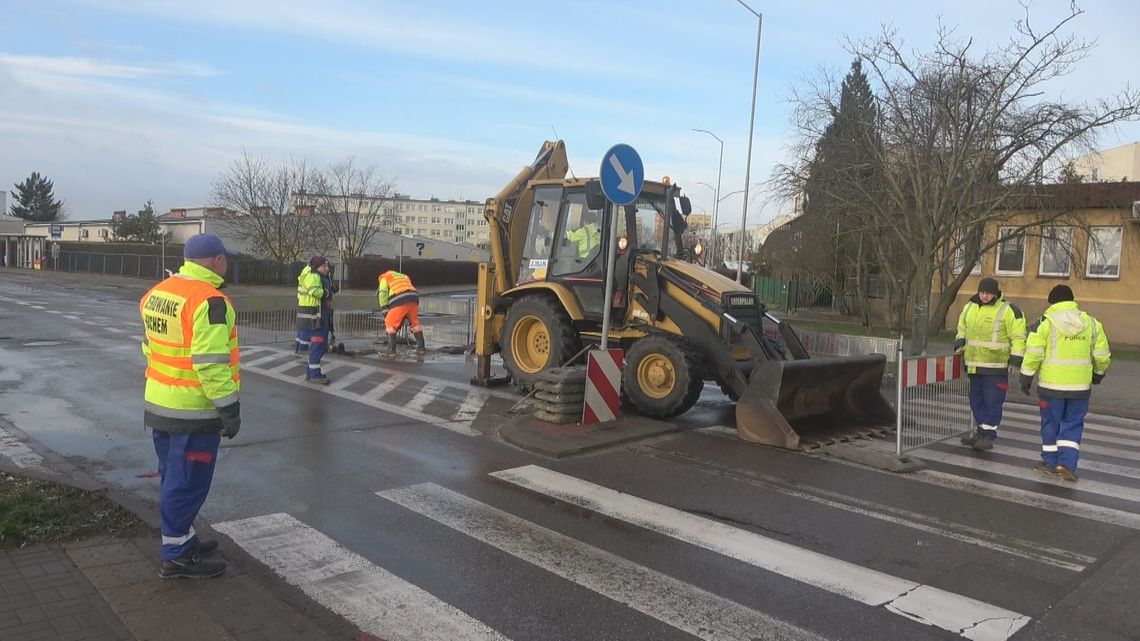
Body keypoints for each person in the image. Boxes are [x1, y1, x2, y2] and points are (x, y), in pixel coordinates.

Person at [139, 234, 240, 579]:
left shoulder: (159, 293)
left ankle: (183, 538)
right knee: (187, 484)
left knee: (174, 477)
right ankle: (177, 554)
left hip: (160, 404)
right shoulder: (210, 302)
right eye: (225, 258)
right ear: (217, 261)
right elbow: (210, 364)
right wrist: (229, 408)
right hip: (193, 411)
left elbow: (150, 348)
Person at [1019, 285, 1111, 482]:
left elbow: (1034, 352)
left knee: (1050, 423)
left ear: (1052, 302)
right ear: (1072, 301)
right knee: (1073, 423)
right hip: (1080, 389)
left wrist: (1026, 376)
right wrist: (1099, 373)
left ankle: (1050, 461)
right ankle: (1067, 465)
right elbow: (1102, 354)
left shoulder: (1045, 322)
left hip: (1051, 388)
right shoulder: (1092, 323)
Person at [954, 277, 1026, 450]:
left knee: (993, 402)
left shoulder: (1008, 310)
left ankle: (988, 435)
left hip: (996, 367)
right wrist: (959, 344)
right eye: (982, 292)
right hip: (973, 364)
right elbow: (962, 328)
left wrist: (1016, 361)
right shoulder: (969, 307)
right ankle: (981, 431)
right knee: (975, 400)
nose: (985, 296)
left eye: (988, 293)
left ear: (996, 294)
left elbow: (1018, 337)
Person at [297, 256, 333, 384]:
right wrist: (327, 293)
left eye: (328, 266)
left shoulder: (319, 276)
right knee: (318, 345)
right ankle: (314, 375)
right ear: (318, 267)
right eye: (324, 266)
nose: (327, 268)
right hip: (317, 317)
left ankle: (311, 372)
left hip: (320, 316)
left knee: (320, 346)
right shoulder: (313, 275)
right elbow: (315, 291)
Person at [378, 269, 424, 358]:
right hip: (414, 297)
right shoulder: (404, 276)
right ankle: (421, 349)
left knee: (390, 325)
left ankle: (391, 352)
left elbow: (383, 295)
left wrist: (385, 312)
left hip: (399, 299)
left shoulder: (385, 278)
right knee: (415, 324)